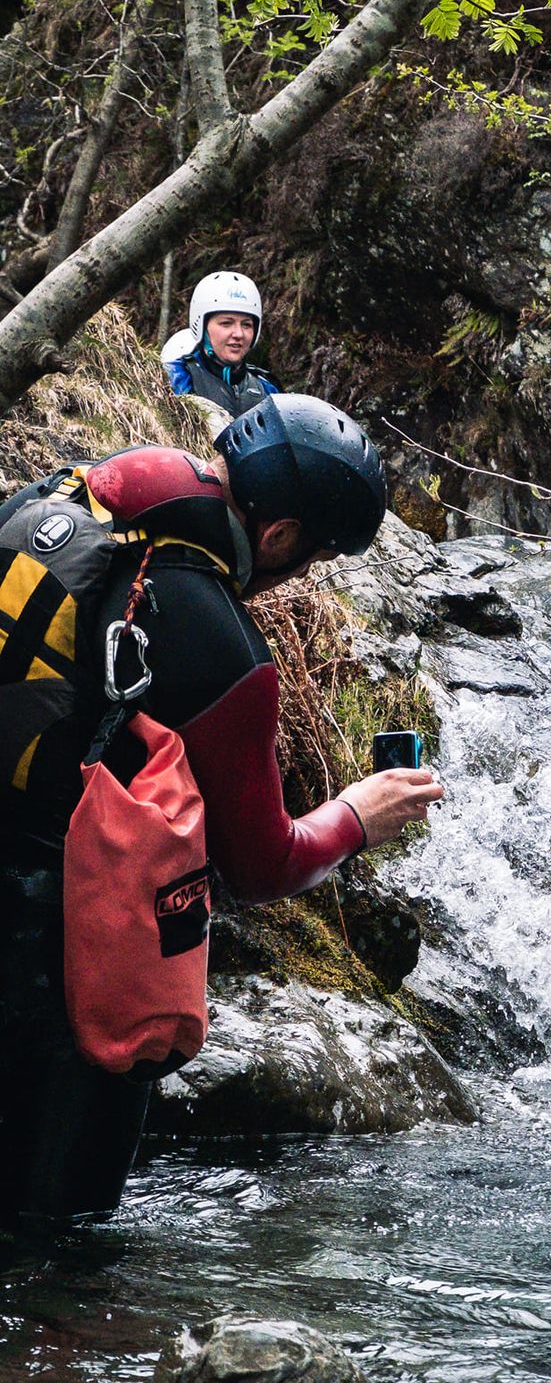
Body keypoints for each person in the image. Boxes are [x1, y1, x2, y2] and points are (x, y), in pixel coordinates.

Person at [0, 394, 441, 1223]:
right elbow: (260, 863)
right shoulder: (215, 634)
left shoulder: (72, 496)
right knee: (57, 1239)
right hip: (55, 941)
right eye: (307, 561)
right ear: (277, 537)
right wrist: (354, 817)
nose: (292, 581)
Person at [162, 271, 279, 415]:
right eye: (226, 323)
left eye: (246, 325)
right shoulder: (174, 378)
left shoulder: (267, 389)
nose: (238, 334)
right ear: (202, 327)